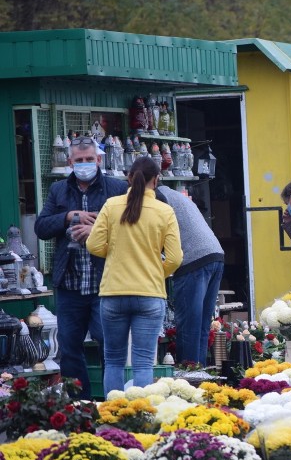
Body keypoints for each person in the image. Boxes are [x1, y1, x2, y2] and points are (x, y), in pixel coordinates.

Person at [34, 136, 128, 399]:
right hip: (70, 284)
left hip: (105, 283)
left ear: (99, 160)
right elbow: (41, 228)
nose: (84, 164)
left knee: (108, 344)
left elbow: (131, 229)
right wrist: (67, 217)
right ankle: (80, 405)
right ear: (70, 162)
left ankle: (112, 402)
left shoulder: (117, 188)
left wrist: (95, 230)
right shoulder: (59, 190)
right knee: (70, 348)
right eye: (79, 160)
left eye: (90, 160)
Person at [86, 157, 183, 395]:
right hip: (149, 294)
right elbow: (174, 258)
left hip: (113, 293)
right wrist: (155, 272)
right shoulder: (165, 211)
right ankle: (141, 416)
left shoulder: (111, 205)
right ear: (156, 180)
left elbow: (93, 245)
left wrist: (117, 252)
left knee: (114, 360)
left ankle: (113, 415)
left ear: (128, 178)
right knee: (143, 362)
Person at [156, 184, 224, 366]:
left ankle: (187, 375)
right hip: (215, 254)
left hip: (193, 259)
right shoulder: (175, 195)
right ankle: (198, 374)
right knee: (201, 325)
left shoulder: (157, 197)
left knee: (188, 326)